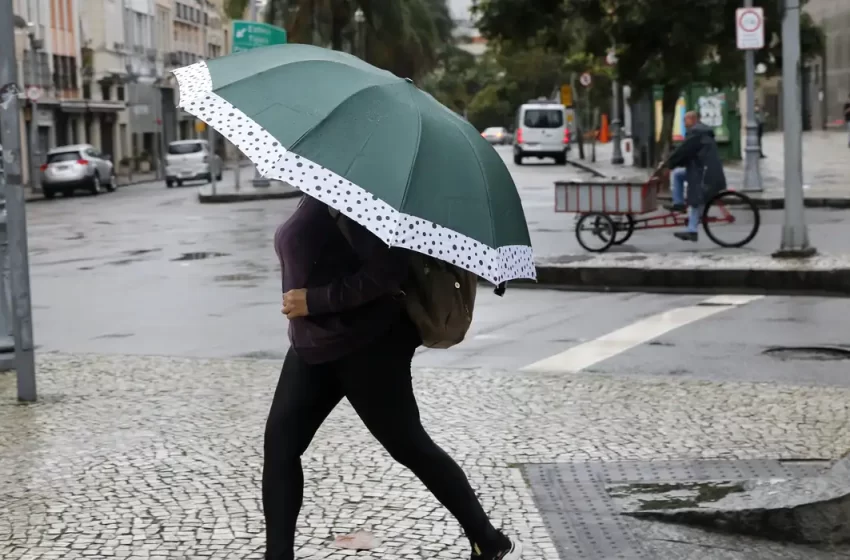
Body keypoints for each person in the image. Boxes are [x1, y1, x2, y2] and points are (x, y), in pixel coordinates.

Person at [266, 194, 522, 560]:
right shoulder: (319, 193)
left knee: (409, 446)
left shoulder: (361, 198)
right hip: (313, 346)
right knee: (280, 448)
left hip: (367, 347)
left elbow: (386, 273)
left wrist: (315, 300)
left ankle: (487, 537)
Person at [660, 110, 727, 242]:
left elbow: (683, 150)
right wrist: (672, 165)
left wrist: (668, 164)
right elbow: (689, 153)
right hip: (701, 170)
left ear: (693, 119)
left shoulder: (697, 132)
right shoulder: (700, 132)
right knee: (678, 175)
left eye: (685, 120)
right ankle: (678, 203)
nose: (684, 124)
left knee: (697, 198)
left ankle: (692, 231)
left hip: (705, 173)